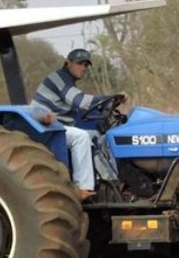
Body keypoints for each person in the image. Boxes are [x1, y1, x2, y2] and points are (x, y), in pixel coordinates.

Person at [30, 48, 122, 201]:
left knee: (102, 137)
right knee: (81, 137)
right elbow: (80, 101)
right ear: (68, 63)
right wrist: (110, 97)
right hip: (44, 127)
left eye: (86, 65)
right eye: (80, 63)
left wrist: (109, 103)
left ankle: (111, 181)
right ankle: (82, 188)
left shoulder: (68, 82)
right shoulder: (59, 79)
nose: (83, 68)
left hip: (56, 126)